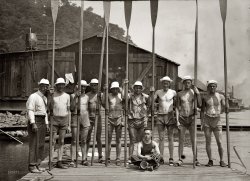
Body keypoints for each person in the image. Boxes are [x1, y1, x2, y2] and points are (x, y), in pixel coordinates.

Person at [176, 75, 201, 166]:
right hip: (182, 118)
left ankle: (196, 159)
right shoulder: (179, 94)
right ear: (183, 83)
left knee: (193, 139)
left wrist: (198, 94)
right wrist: (177, 120)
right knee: (181, 140)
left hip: (192, 118)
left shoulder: (194, 93)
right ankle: (180, 159)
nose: (187, 84)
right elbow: (177, 108)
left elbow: (200, 104)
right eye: (185, 82)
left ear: (191, 83)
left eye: (189, 82)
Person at [201, 80, 227, 167]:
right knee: (208, 141)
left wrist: (225, 105)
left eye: (214, 86)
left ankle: (222, 160)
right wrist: (202, 122)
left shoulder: (220, 96)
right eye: (210, 86)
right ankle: (210, 160)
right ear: (208, 87)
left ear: (216, 87)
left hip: (217, 120)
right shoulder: (205, 97)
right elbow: (202, 111)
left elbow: (225, 107)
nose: (212, 88)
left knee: (219, 142)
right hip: (207, 120)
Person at [26, 78, 50, 173]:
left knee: (40, 144)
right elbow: (30, 110)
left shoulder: (45, 98)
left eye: (46, 86)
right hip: (35, 120)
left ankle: (37, 164)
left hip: (42, 120)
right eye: (43, 85)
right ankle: (31, 166)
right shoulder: (33, 96)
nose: (44, 87)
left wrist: (47, 124)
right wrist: (33, 123)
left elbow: (45, 112)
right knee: (34, 144)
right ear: (39, 86)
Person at [154, 76, 177, 166]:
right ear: (162, 83)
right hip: (160, 116)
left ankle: (171, 158)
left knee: (171, 138)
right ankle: (161, 157)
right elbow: (152, 102)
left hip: (170, 116)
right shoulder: (158, 92)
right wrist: (152, 93)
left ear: (169, 83)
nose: (165, 84)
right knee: (161, 138)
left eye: (167, 83)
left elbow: (178, 104)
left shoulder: (173, 92)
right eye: (164, 83)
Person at [51, 78, 71, 169]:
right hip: (54, 119)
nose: (61, 86)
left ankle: (59, 161)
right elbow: (49, 109)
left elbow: (69, 110)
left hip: (64, 119)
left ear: (64, 86)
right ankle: (51, 161)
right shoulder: (52, 95)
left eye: (62, 84)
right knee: (52, 141)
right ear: (56, 85)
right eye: (59, 85)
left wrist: (69, 124)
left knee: (62, 141)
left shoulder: (67, 96)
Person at [128, 81, 150, 161]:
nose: (137, 89)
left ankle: (141, 157)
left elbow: (151, 102)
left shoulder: (145, 96)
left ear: (141, 89)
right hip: (132, 121)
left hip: (142, 120)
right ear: (133, 88)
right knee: (132, 139)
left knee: (142, 140)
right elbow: (124, 97)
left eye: (139, 88)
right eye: (136, 87)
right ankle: (130, 157)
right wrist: (124, 86)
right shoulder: (130, 96)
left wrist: (152, 92)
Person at [70, 80, 90, 166]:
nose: (83, 88)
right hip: (75, 117)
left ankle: (84, 159)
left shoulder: (87, 97)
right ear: (78, 86)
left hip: (85, 118)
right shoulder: (72, 96)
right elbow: (71, 108)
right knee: (74, 140)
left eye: (84, 86)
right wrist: (75, 98)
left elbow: (88, 108)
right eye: (82, 86)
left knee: (84, 140)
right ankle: (73, 159)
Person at [86, 78, 104, 163]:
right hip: (89, 118)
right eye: (92, 85)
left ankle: (100, 156)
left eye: (95, 85)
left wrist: (101, 99)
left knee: (98, 138)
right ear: (90, 86)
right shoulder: (87, 95)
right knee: (87, 137)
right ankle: (85, 156)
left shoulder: (101, 95)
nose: (94, 87)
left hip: (98, 117)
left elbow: (105, 105)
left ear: (98, 86)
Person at [106, 81, 123, 165]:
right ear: (111, 89)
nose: (115, 90)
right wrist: (104, 90)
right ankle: (108, 157)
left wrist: (124, 90)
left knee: (118, 140)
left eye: (117, 89)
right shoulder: (108, 96)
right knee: (108, 140)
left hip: (119, 118)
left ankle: (118, 158)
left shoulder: (121, 96)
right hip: (110, 118)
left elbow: (127, 101)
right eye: (113, 89)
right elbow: (103, 104)